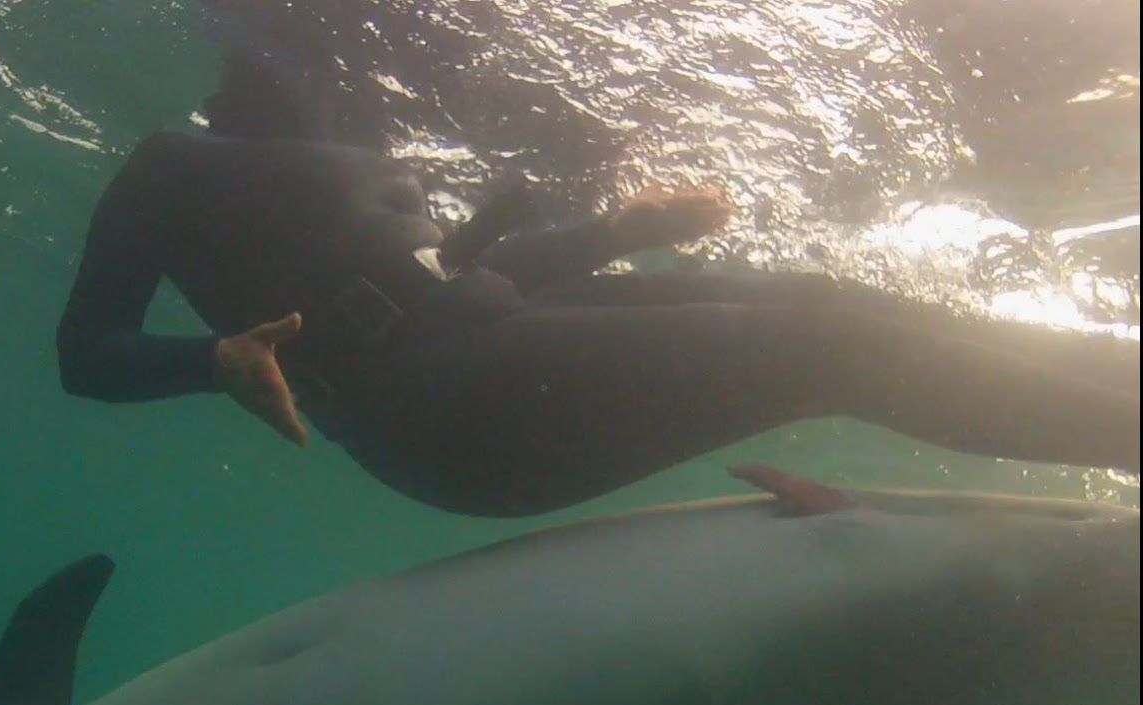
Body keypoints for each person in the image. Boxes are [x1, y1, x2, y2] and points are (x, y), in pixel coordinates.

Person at [56, 56, 1140, 516]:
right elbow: (85, 354)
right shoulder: (172, 166)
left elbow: (446, 278)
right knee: (833, 348)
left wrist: (620, 228)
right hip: (441, 412)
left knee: (830, 305)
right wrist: (212, 361)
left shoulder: (360, 137)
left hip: (488, 341)